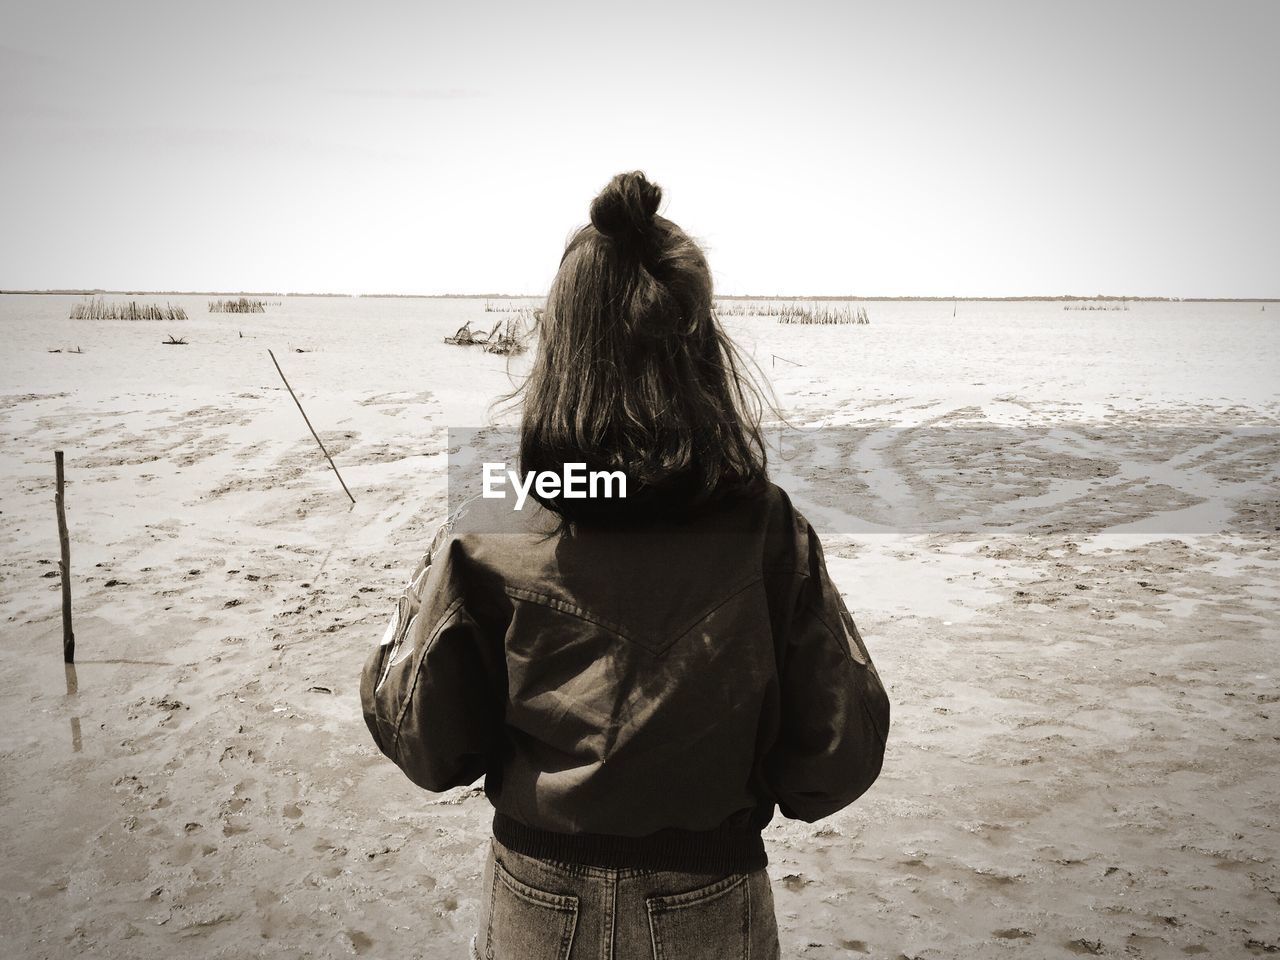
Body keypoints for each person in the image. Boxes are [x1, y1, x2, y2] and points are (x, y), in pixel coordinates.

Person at [360, 171, 890, 960]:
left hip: (537, 893)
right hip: (709, 892)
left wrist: (386, 649)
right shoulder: (764, 525)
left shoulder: (495, 515)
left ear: (561, 346)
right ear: (701, 347)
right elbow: (833, 761)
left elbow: (428, 743)